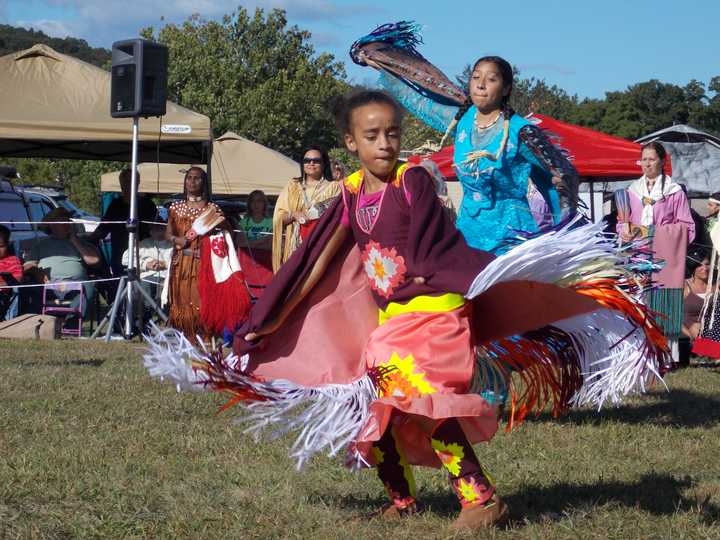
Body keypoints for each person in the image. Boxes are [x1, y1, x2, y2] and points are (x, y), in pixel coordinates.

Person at [146, 90, 668, 532]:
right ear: (350, 143)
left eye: (392, 133)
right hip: (394, 320)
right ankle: (402, 500)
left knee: (420, 398)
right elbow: (314, 258)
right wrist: (271, 321)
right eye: (372, 136)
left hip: (436, 310)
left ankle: (481, 499)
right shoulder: (350, 193)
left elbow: (428, 242)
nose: (384, 144)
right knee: (378, 406)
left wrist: (420, 269)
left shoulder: (411, 179)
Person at [350, 25, 578, 254]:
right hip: (469, 234)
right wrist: (382, 63)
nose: (480, 84)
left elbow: (564, 171)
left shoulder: (521, 132)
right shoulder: (462, 121)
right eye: (476, 77)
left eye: (491, 79)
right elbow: (420, 99)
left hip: (512, 239)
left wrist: (562, 230)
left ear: (506, 88)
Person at [616, 142, 695, 365]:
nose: (646, 164)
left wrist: (654, 233)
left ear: (662, 162)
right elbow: (622, 223)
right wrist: (626, 231)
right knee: (639, 302)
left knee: (663, 307)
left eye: (651, 159)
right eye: (644, 160)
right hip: (637, 256)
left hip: (664, 259)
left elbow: (687, 227)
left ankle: (666, 356)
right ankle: (639, 356)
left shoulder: (674, 192)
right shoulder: (632, 191)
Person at [166, 167, 228, 340]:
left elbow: (226, 234)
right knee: (182, 300)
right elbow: (168, 234)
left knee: (202, 299)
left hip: (204, 262)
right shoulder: (176, 208)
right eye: (189, 178)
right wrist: (176, 240)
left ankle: (206, 336)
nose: (192, 182)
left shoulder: (212, 210)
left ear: (204, 183)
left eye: (197, 178)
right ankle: (186, 335)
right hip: (182, 263)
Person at [24, 208, 100, 321]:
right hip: (49, 283)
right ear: (52, 226)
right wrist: (36, 271)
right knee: (30, 287)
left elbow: (94, 260)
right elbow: (27, 266)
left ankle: (72, 323)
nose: (66, 224)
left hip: (76, 283)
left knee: (88, 286)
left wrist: (74, 240)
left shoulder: (81, 242)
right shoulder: (41, 244)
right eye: (62, 221)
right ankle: (42, 323)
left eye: (67, 221)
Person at [272, 147, 341, 271]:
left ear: (324, 163)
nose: (311, 163)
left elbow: (337, 218)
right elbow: (278, 216)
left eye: (316, 160)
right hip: (293, 249)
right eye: (307, 160)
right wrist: (294, 214)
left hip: (320, 248)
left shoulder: (333, 187)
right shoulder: (292, 186)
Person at [89, 168, 157, 277]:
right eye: (124, 181)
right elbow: (103, 229)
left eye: (130, 180)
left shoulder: (148, 204)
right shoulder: (115, 205)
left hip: (143, 256)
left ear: (137, 182)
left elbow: (153, 229)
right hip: (119, 257)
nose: (127, 184)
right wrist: (85, 239)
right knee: (120, 288)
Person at [121, 220, 172, 304]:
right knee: (138, 285)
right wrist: (146, 264)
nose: (158, 230)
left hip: (167, 278)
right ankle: (144, 313)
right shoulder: (144, 244)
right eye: (154, 228)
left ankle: (160, 313)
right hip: (146, 278)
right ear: (150, 231)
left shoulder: (173, 244)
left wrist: (165, 264)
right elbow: (125, 259)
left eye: (161, 228)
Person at [682, 249, 709, 342]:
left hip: (714, 332)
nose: (705, 268)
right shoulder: (684, 285)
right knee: (715, 353)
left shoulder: (715, 285)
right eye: (699, 265)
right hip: (696, 337)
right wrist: (689, 336)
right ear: (693, 268)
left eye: (707, 264)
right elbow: (672, 315)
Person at [0, 225, 23, 320]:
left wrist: (2, 284)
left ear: (8, 244)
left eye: (1, 246)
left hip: (3, 296)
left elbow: (17, 281)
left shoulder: (13, 261)